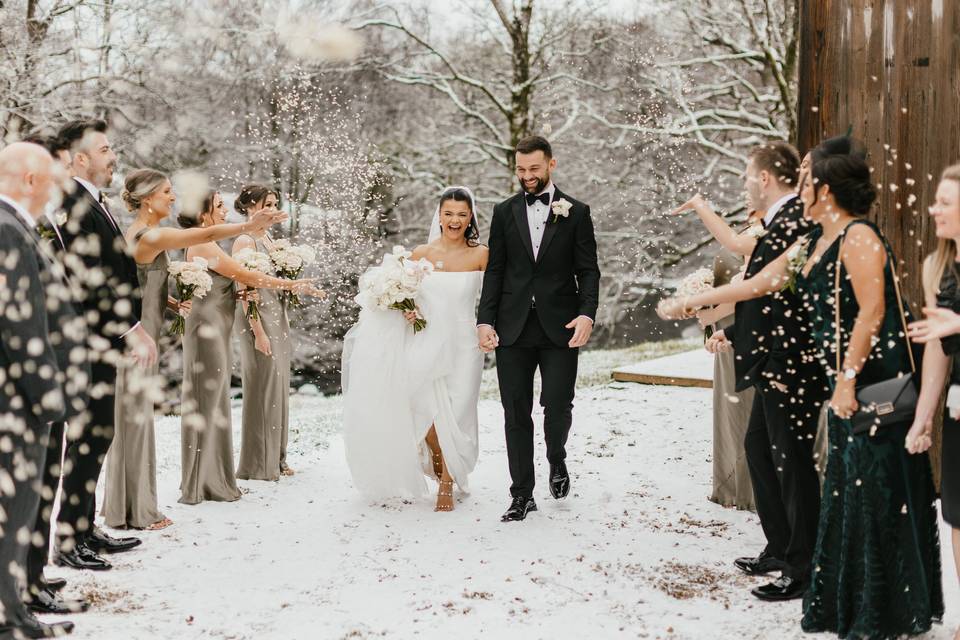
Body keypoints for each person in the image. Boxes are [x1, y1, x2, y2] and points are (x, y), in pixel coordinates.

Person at [659, 137, 944, 636]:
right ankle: (852, 598)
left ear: (826, 190)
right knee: (848, 492)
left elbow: (873, 313)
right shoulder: (812, 242)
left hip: (879, 380)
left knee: (878, 490)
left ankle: (888, 608)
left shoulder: (859, 237)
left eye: (809, 181)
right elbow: (757, 284)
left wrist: (849, 381)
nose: (800, 186)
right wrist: (691, 306)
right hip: (844, 381)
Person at [102, 170, 285, 530]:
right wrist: (248, 227)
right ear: (147, 197)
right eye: (167, 192)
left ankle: (128, 507)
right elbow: (205, 234)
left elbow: (136, 284)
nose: (173, 198)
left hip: (142, 334)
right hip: (138, 340)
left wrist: (171, 302)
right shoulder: (149, 233)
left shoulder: (137, 235)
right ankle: (137, 512)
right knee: (134, 422)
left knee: (133, 420)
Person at [477, 136, 601, 522]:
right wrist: (484, 319)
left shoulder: (576, 213)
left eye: (534, 169)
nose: (527, 176)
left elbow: (588, 271)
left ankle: (557, 457)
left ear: (551, 164)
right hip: (511, 328)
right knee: (515, 411)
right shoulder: (503, 212)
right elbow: (495, 270)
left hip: (560, 326)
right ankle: (522, 494)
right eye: (520, 169)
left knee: (558, 406)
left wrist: (587, 314)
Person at [342, 186, 487, 511]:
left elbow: (495, 300)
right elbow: (403, 295)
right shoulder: (421, 253)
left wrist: (489, 329)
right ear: (438, 215)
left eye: (462, 214)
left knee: (460, 413)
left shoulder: (482, 255)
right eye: (448, 213)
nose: (455, 220)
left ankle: (449, 476)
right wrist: (406, 308)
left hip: (464, 344)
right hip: (427, 339)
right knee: (427, 410)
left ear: (470, 217)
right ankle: (441, 470)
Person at [55, 118, 157, 572]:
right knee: (89, 435)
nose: (112, 156)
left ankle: (83, 525)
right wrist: (127, 326)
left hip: (102, 339)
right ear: (80, 158)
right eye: (104, 149)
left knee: (99, 435)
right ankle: (68, 538)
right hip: (91, 340)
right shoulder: (73, 204)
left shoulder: (94, 202)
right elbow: (89, 279)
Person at [178, 191, 310, 505]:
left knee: (215, 402)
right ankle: (202, 482)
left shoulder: (208, 242)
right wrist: (287, 285)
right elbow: (243, 276)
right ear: (204, 212)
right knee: (206, 400)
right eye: (220, 206)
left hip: (216, 324)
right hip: (208, 327)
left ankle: (215, 478)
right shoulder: (204, 242)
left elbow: (232, 283)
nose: (226, 210)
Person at [0, 141, 76, 638]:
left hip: (16, 397)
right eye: (50, 178)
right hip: (15, 401)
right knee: (13, 512)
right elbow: (20, 325)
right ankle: (9, 620)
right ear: (30, 180)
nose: (55, 188)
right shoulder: (7, 231)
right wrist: (50, 398)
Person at [668, 199, 764, 510]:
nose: (747, 196)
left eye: (754, 187)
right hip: (728, 328)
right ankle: (733, 486)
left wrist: (711, 311)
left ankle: (752, 492)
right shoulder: (751, 229)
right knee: (731, 407)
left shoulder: (770, 234)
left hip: (745, 327)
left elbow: (756, 289)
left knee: (748, 408)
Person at [232, 185, 323, 482]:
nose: (271, 209)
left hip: (277, 314)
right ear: (249, 207)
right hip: (258, 318)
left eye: (273, 204)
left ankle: (277, 457)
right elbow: (244, 290)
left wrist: (300, 285)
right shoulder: (245, 241)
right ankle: (259, 462)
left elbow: (275, 280)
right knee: (263, 385)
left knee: (278, 385)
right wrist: (258, 331)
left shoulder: (268, 238)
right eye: (265, 204)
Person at [906, 163, 960, 640]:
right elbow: (936, 357)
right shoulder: (936, 268)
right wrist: (923, 420)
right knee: (959, 517)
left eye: (944, 202)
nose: (933, 210)